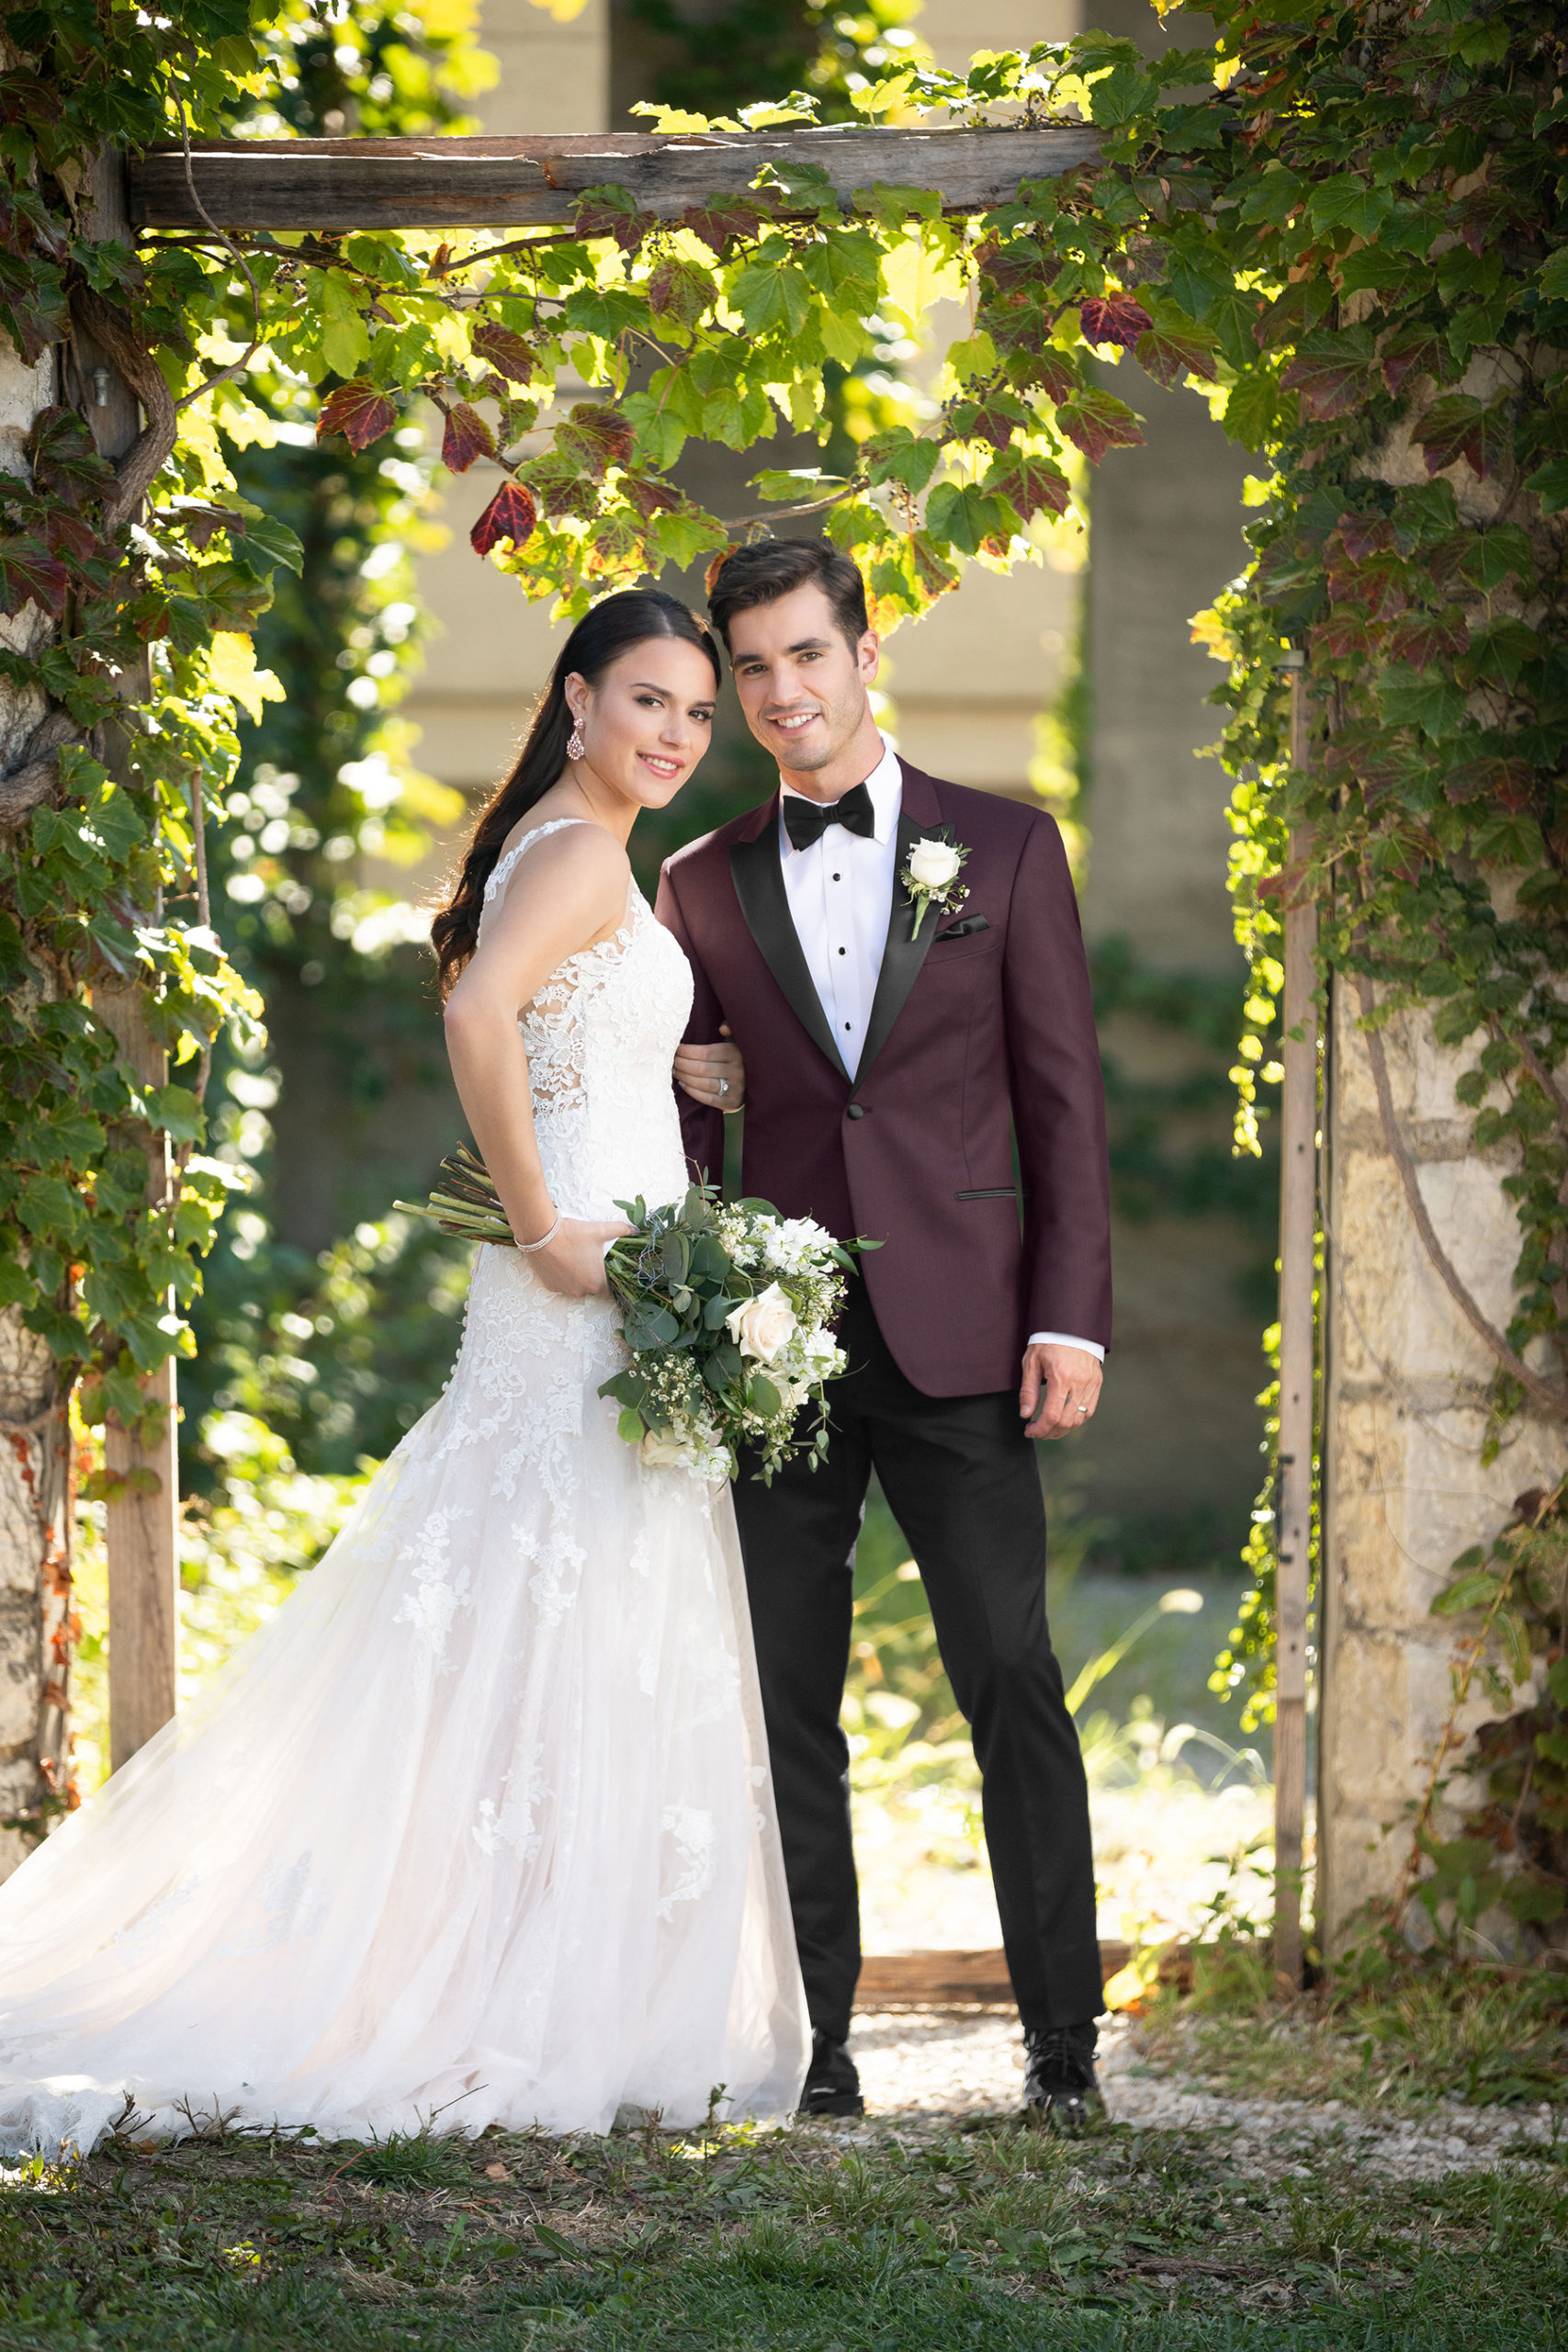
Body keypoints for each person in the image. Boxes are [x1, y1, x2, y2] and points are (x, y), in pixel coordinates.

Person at [0, 589, 807, 2158]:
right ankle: (478, 1986)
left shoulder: (581, 852)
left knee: (536, 1621)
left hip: (613, 1288)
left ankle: (521, 1965)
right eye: (650, 701)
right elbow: (479, 1007)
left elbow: (563, 1022)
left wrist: (671, 1062)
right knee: (535, 1610)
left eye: (699, 716)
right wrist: (547, 1227)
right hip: (575, 1288)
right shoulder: (576, 850)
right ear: (576, 701)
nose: (678, 736)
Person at [656, 540, 1111, 2127]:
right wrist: (682, 1078)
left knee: (1011, 1672)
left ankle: (1063, 2051)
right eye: (755, 670)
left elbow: (1062, 1102)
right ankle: (818, 2049)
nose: (784, 696)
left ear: (866, 650)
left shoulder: (1004, 846)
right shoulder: (695, 881)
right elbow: (671, 1102)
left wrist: (1072, 1317)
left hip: (969, 1333)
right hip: (778, 1348)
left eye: (806, 657)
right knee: (788, 1700)